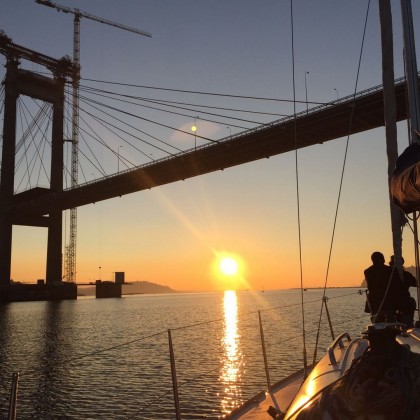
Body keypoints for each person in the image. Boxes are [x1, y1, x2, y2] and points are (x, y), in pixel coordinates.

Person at [364, 251, 401, 322]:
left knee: (377, 322)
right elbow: (398, 286)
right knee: (391, 320)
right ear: (383, 259)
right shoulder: (392, 270)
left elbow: (370, 286)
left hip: (374, 301)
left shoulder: (368, 271)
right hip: (389, 301)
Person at [389, 255, 418, 327]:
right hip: (403, 302)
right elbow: (415, 283)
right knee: (410, 302)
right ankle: (407, 326)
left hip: (392, 302)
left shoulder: (386, 275)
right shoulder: (406, 275)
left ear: (390, 264)